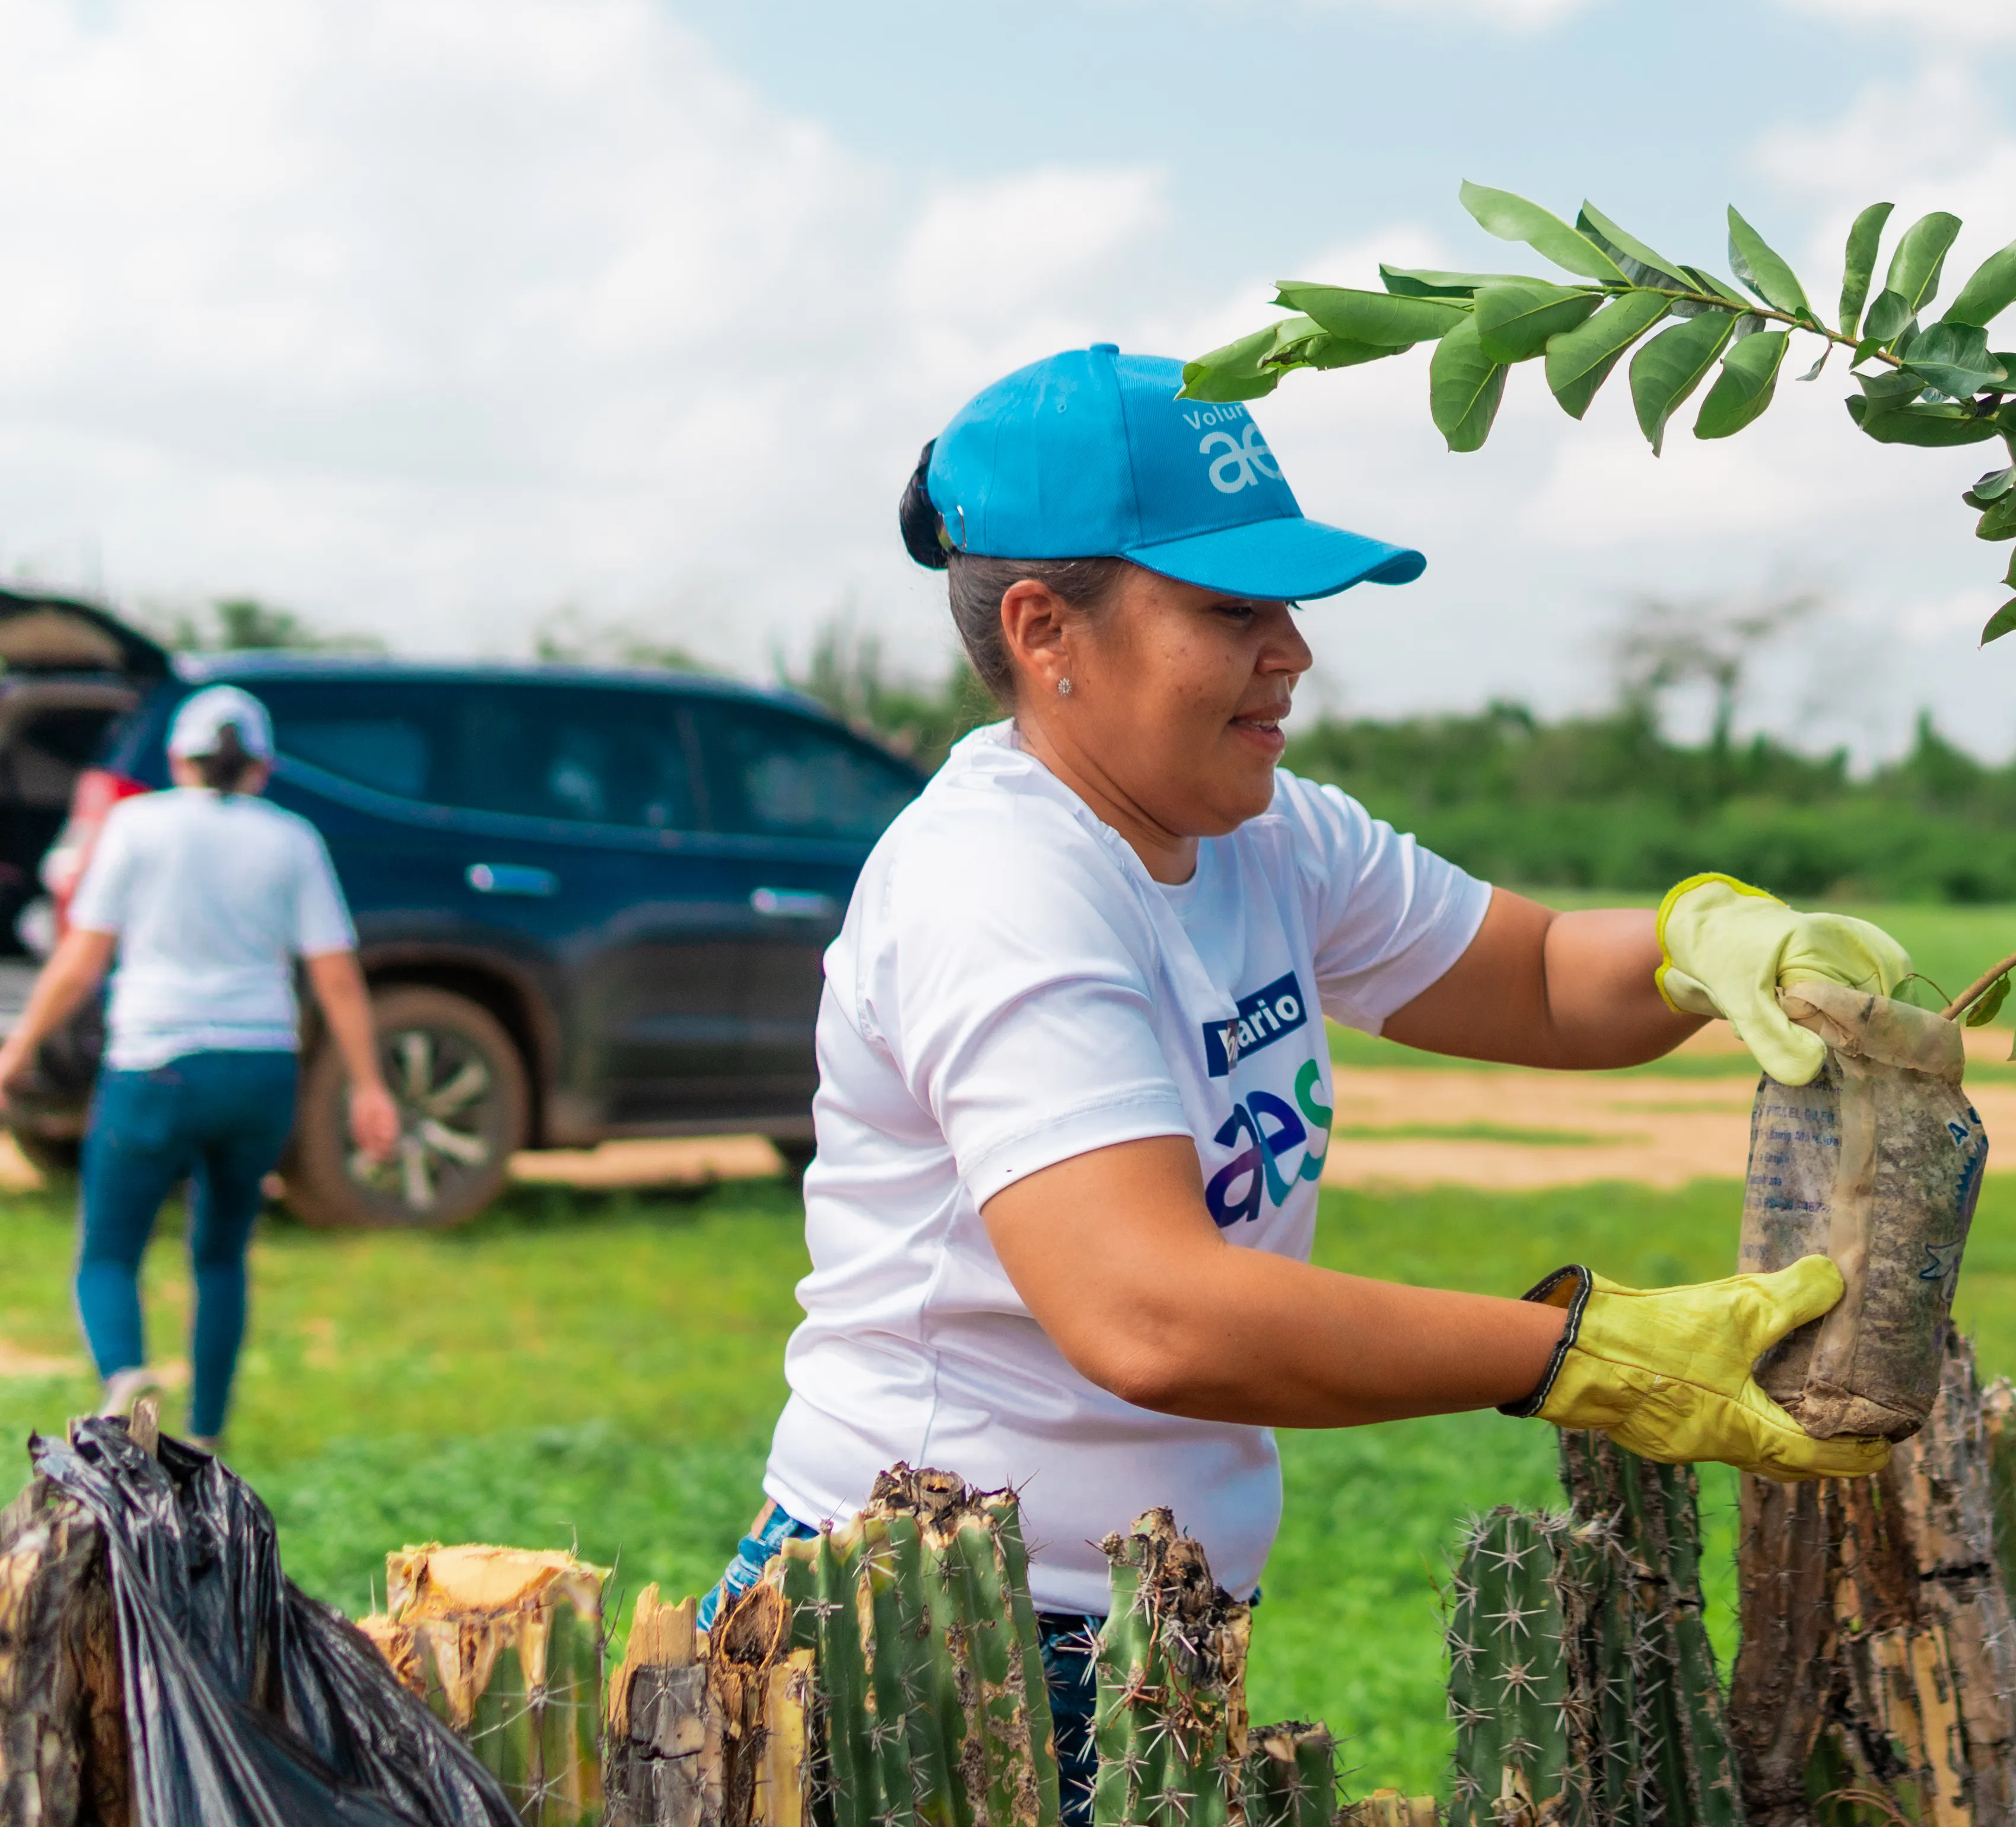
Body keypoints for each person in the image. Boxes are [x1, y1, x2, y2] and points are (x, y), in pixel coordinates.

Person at [701, 344, 1904, 1815]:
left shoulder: (1264, 833)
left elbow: (1526, 974)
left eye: (1289, 604)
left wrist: (1697, 942)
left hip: (1135, 1622)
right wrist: (1572, 1351)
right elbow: (1150, 1312)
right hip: (932, 1650)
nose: (1294, 650)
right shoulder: (999, 885)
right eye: (1230, 608)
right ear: (1042, 627)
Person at [0, 685, 402, 1450]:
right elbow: (337, 976)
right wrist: (371, 1088)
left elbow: (81, 961)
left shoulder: (134, 825)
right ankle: (208, 1433)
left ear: (177, 759)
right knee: (220, 1253)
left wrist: (16, 1052)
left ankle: (125, 1379)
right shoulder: (292, 838)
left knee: (111, 1250)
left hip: (155, 1064)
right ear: (263, 766)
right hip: (258, 1070)